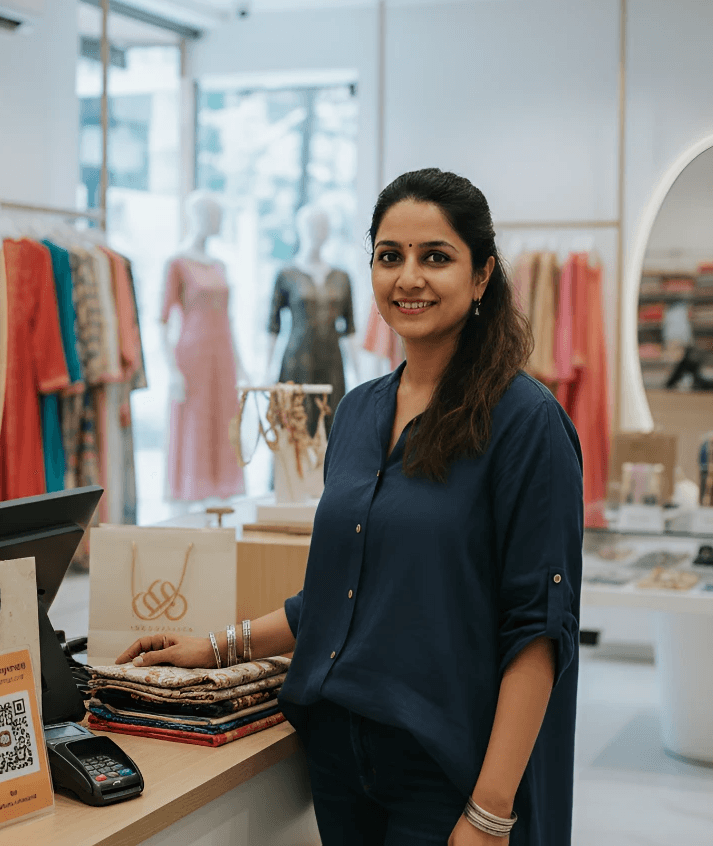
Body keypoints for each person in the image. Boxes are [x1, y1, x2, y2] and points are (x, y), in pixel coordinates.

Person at [118, 168, 584, 846]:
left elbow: (538, 631)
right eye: (390, 256)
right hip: (341, 756)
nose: (409, 278)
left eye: (436, 257)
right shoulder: (360, 411)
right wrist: (213, 648)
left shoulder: (526, 423)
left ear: (482, 275)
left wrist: (488, 814)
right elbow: (337, 596)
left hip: (449, 763)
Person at [160, 191, 247, 503]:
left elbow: (229, 317)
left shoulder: (220, 265)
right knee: (196, 421)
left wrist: (243, 365)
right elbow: (162, 321)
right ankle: (192, 493)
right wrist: (170, 370)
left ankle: (220, 491)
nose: (219, 221)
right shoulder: (177, 263)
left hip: (223, 354)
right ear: (198, 217)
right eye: (214, 215)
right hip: (193, 355)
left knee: (224, 421)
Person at [266, 204, 357, 434]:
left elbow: (350, 328)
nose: (319, 232)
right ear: (300, 228)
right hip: (296, 362)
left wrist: (360, 373)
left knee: (331, 427)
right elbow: (273, 326)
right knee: (294, 429)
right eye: (313, 226)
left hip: (332, 362)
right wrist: (266, 369)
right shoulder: (286, 274)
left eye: (324, 226)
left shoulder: (342, 277)